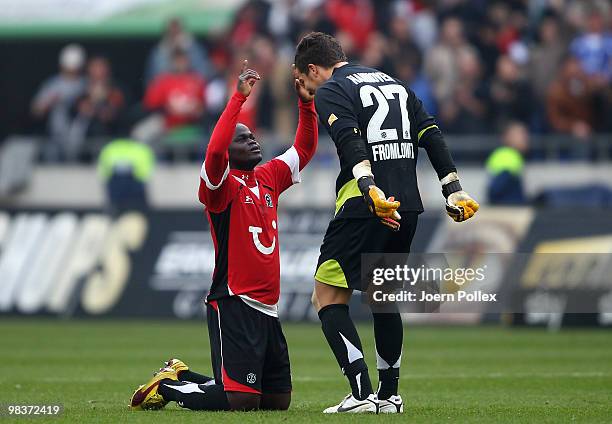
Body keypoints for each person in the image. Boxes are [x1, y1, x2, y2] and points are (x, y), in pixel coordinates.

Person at [293, 32, 479, 413]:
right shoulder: (392, 83)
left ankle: (361, 393)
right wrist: (453, 188)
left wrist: (368, 186)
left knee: (326, 296)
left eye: (303, 78)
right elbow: (430, 132)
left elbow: (349, 138)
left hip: (367, 205)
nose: (306, 87)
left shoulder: (332, 88)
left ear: (314, 69)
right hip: (408, 205)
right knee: (382, 299)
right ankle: (389, 396)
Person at [130, 60, 318, 411]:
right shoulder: (221, 186)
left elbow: (304, 149)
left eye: (253, 136)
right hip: (234, 302)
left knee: (277, 402)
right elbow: (214, 151)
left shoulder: (269, 177)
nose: (253, 141)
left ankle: (181, 373)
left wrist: (306, 104)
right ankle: (168, 387)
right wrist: (238, 100)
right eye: (243, 139)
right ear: (230, 152)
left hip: (268, 308)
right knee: (241, 401)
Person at [31, 44, 86, 161]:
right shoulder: (53, 85)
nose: (72, 71)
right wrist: (50, 102)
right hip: (54, 136)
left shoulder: (85, 84)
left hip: (80, 137)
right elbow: (36, 110)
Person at [486, 122, 528, 205]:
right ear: (509, 137)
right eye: (521, 134)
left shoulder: (502, 153)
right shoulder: (508, 156)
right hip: (507, 209)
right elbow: (497, 188)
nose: (525, 138)